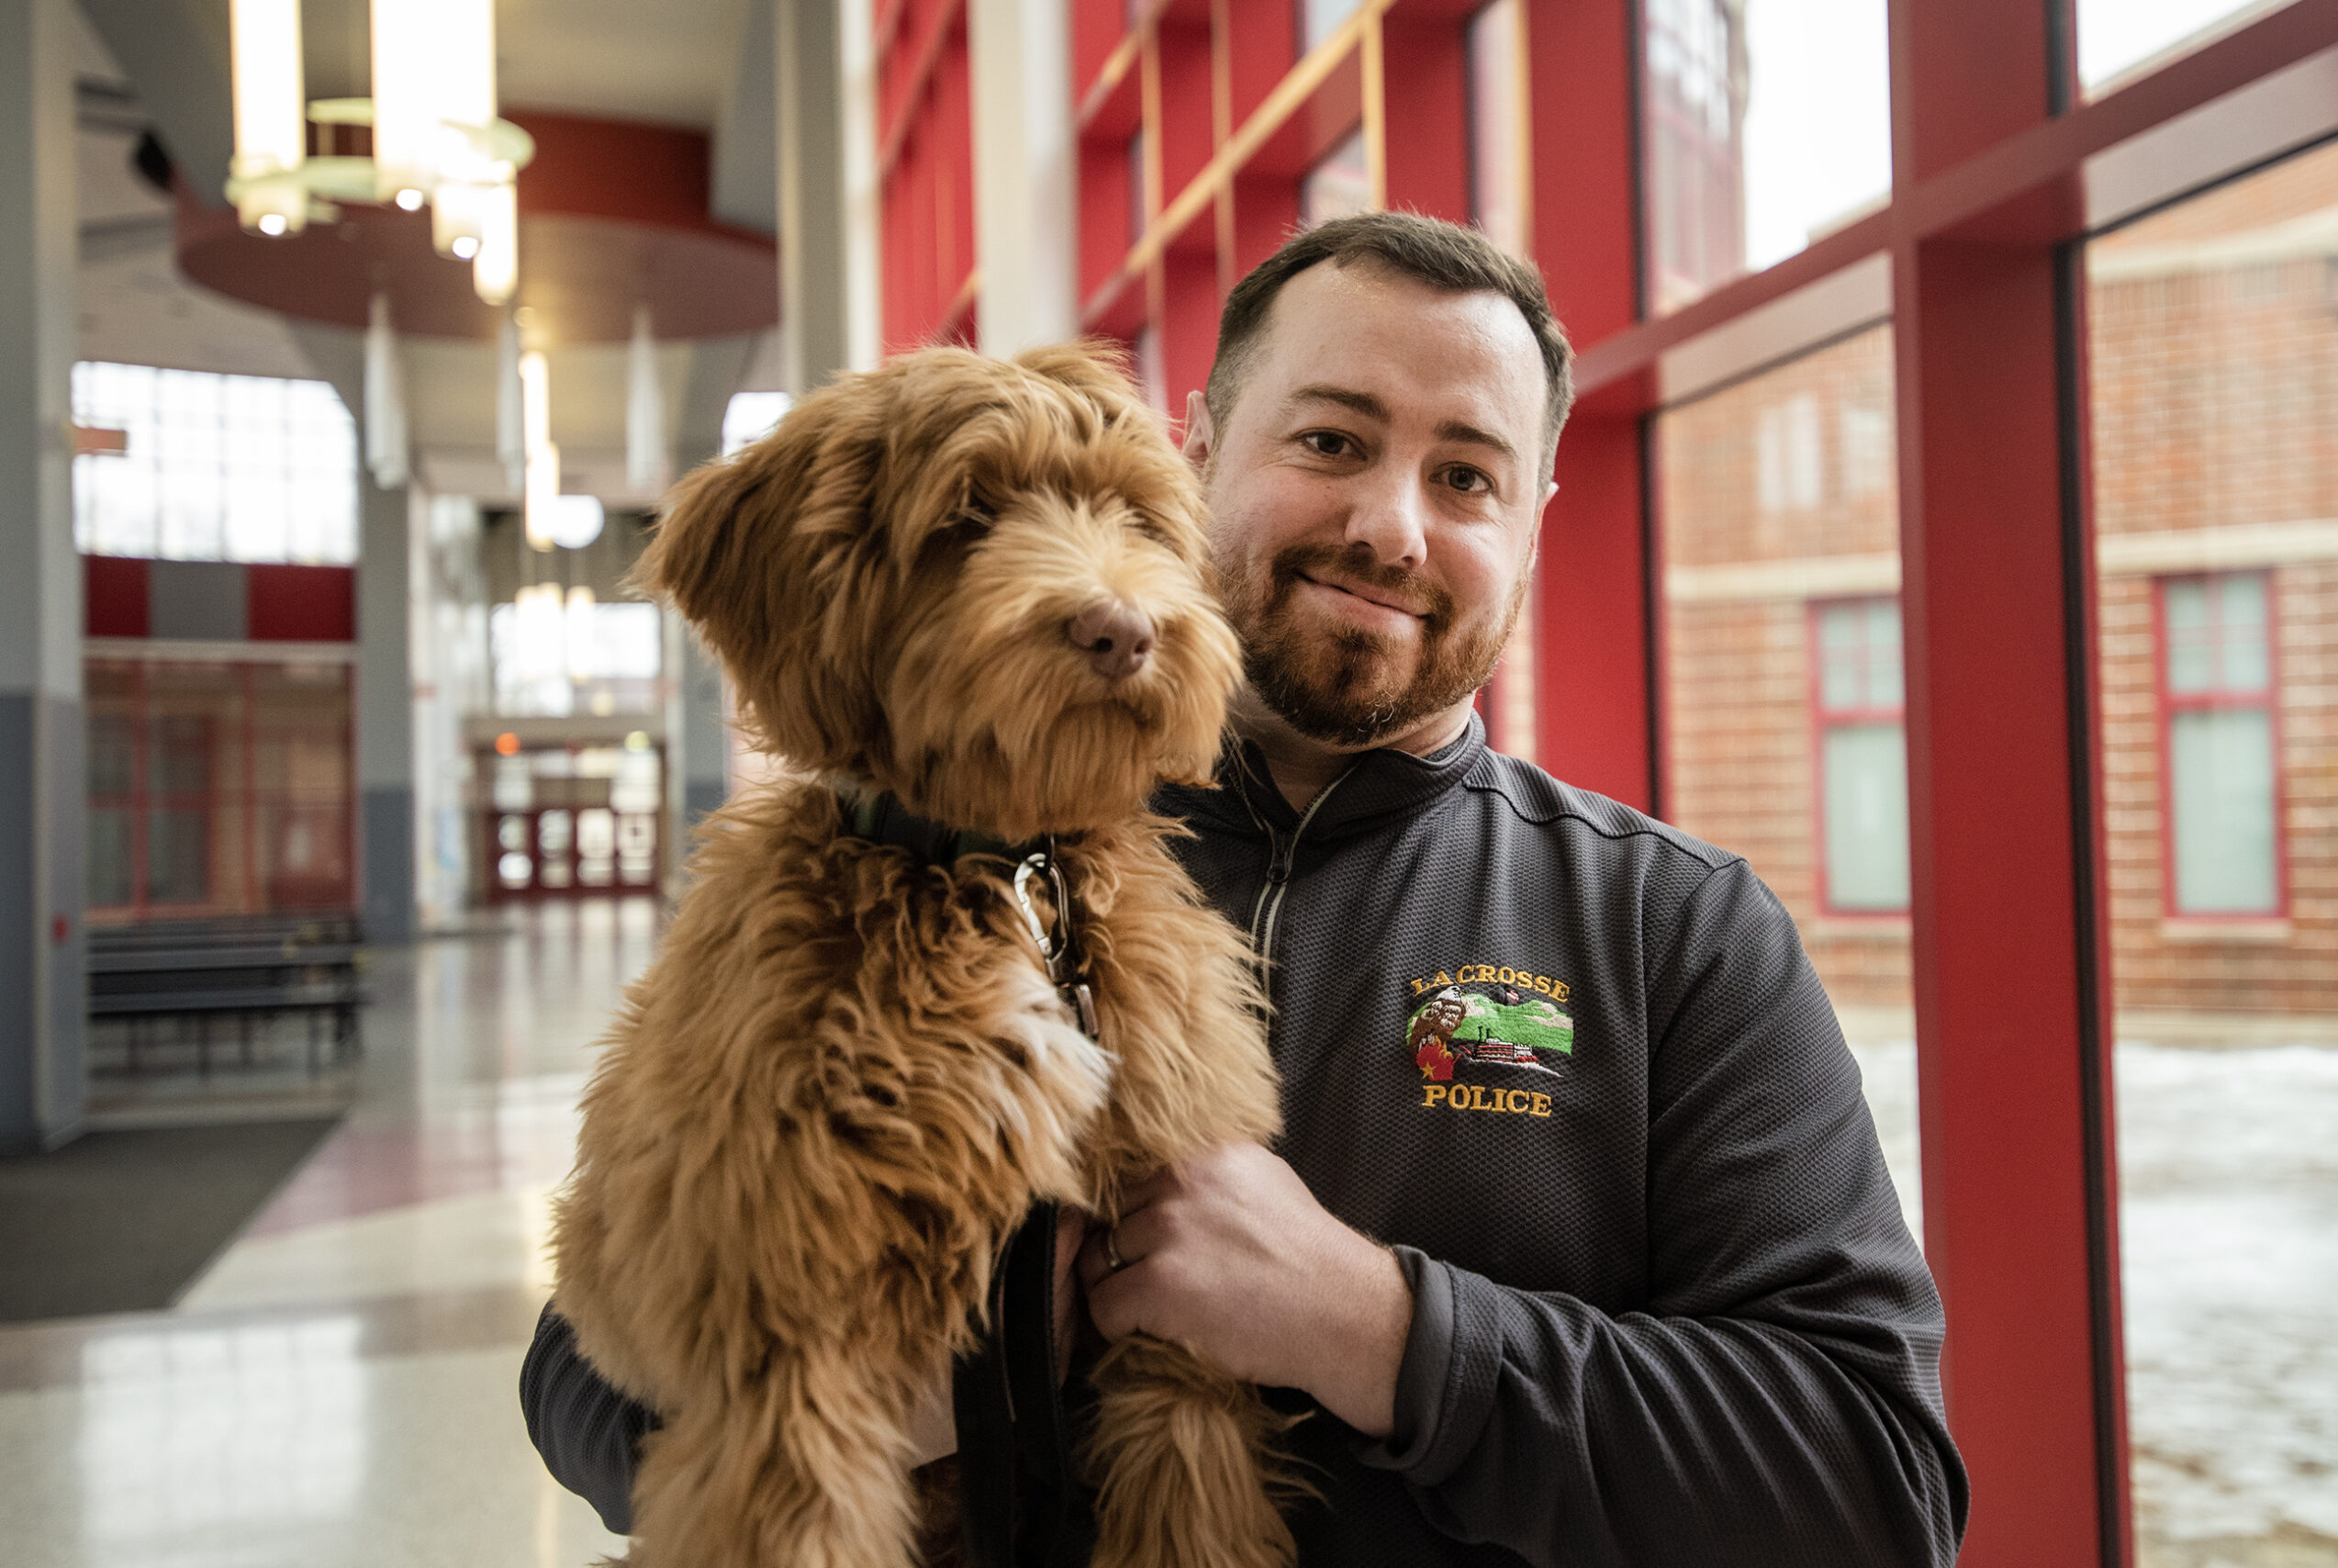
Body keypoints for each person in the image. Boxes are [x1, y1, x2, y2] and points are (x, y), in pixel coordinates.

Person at [521, 211, 1969, 1566]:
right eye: (1333, 439)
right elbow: (579, 1379)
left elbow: (1874, 1486)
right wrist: (887, 1392)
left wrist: (1382, 1330)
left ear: (1532, 521)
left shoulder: (1671, 929)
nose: (1392, 528)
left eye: (1466, 475)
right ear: (1201, 449)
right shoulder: (917, 838)